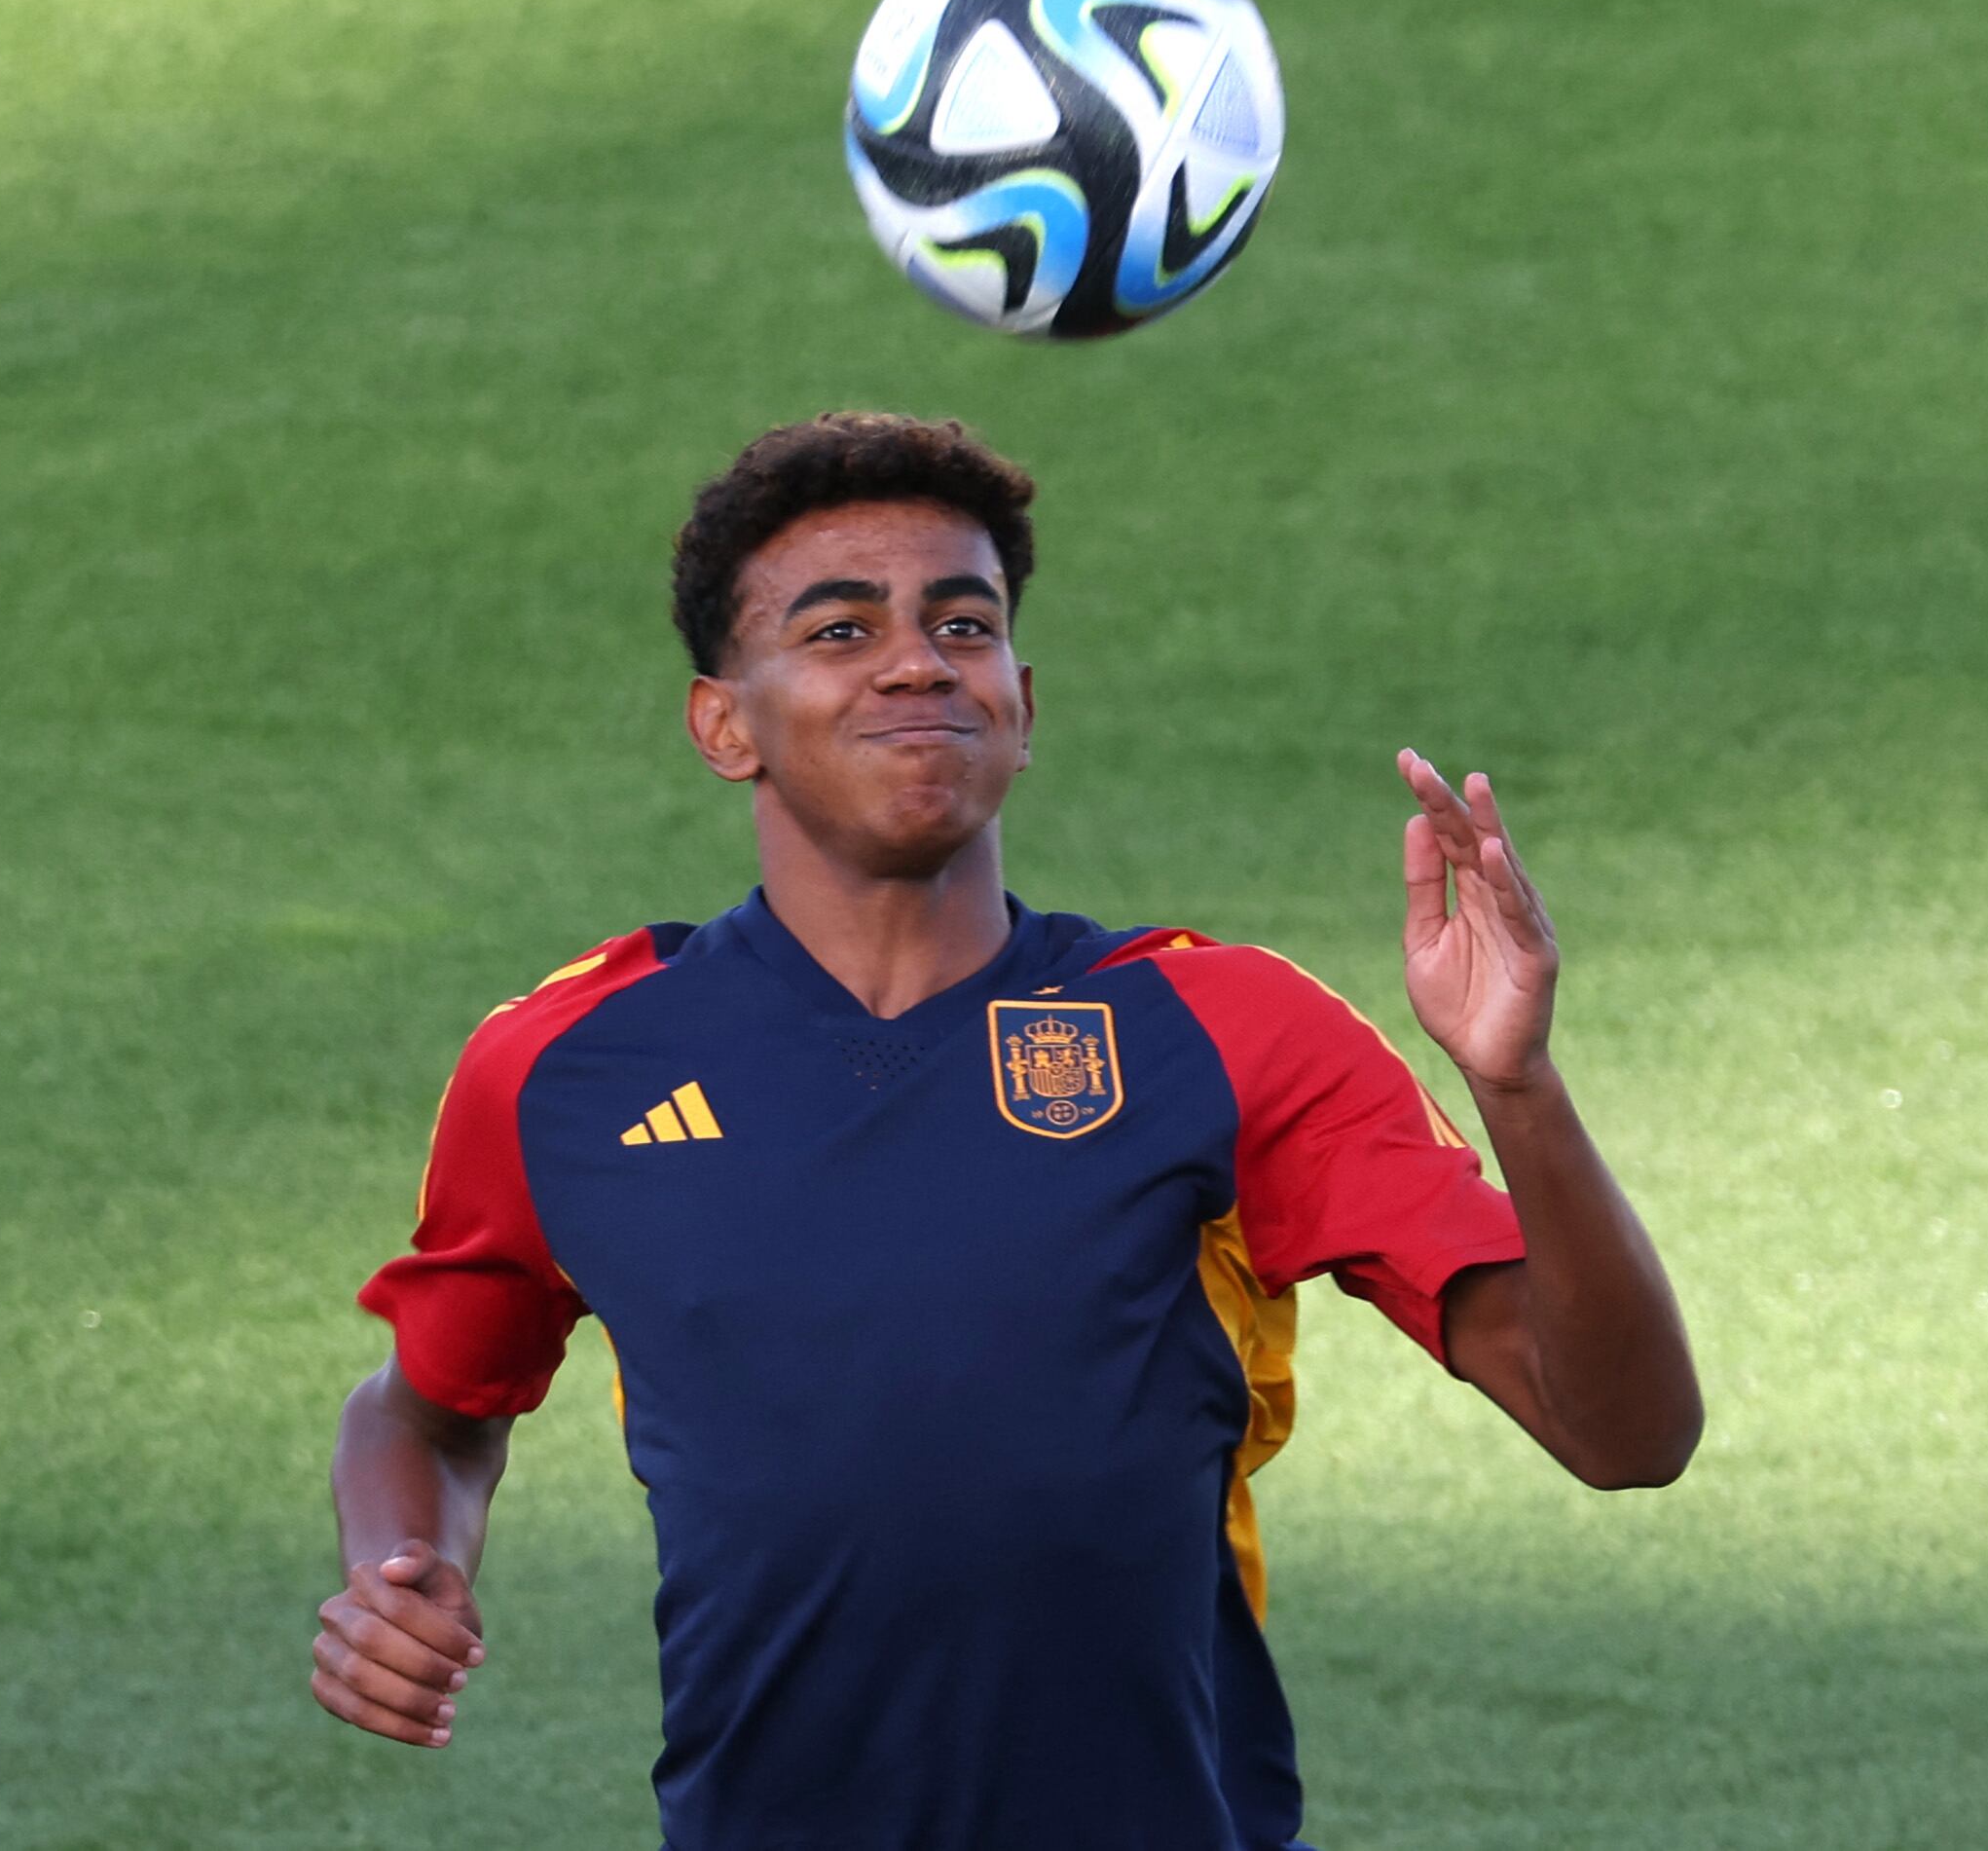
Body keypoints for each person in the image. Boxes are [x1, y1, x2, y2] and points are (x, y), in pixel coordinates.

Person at [309, 412, 1701, 1849]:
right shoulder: (569, 1064)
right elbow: (426, 1407)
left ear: (1021, 702)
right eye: (841, 630)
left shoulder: (1223, 1031)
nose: (918, 658)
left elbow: (1628, 1433)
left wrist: (1518, 1085)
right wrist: (404, 1557)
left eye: (961, 624)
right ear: (726, 722)